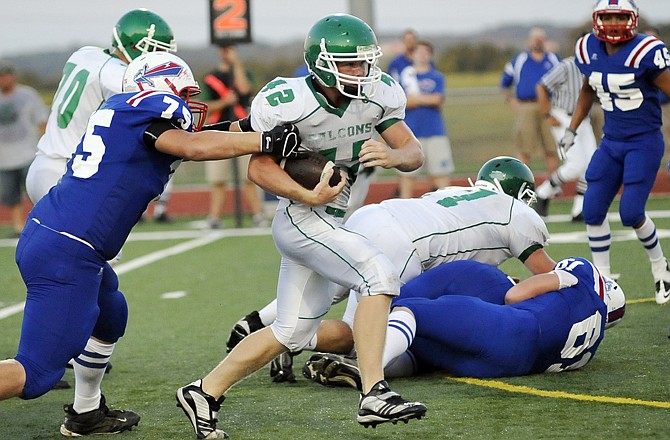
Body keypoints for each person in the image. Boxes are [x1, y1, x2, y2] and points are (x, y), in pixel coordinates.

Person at [0, 51, 302, 436]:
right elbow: (195, 147)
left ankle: (86, 412)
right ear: (162, 84)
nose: (190, 104)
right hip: (68, 251)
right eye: (184, 92)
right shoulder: (150, 112)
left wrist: (251, 127)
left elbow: (192, 140)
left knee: (111, 315)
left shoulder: (128, 115)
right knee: (37, 373)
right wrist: (267, 141)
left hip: (56, 237)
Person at [176, 14, 427, 438]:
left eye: (364, 62)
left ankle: (204, 390)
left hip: (329, 216)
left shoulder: (378, 95)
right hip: (300, 218)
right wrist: (308, 195)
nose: (360, 71)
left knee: (292, 332)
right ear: (321, 63)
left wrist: (393, 156)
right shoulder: (289, 101)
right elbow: (257, 169)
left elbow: (413, 151)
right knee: (378, 274)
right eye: (348, 63)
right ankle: (373, 394)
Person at [226, 156, 557, 383]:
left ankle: (258, 323)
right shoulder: (518, 213)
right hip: (403, 243)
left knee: (326, 292)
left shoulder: (454, 191)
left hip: (372, 217)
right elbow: (549, 276)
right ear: (521, 193)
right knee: (362, 338)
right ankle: (291, 345)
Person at [23, 6, 176, 397]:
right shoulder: (119, 75)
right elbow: (148, 102)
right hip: (71, 177)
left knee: (102, 295)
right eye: (152, 51)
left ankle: (83, 392)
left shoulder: (84, 55)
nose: (156, 59)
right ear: (130, 47)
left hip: (46, 164)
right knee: (83, 278)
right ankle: (57, 352)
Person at [303, 256, 626, 387]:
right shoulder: (592, 342)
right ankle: (379, 364)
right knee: (425, 355)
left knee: (411, 311)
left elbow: (515, 297)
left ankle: (368, 370)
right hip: (509, 367)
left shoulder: (583, 274)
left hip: (514, 329)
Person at [558, 0, 670, 304]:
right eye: (607, 17)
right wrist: (572, 129)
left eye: (620, 17)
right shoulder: (587, 49)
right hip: (611, 141)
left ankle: (661, 267)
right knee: (592, 210)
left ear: (632, 20)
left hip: (643, 141)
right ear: (596, 20)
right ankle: (603, 282)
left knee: (631, 212)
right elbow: (588, 89)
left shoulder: (647, 50)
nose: (613, 23)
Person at [203, 44, 268, 228]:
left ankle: (257, 214)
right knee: (218, 179)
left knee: (248, 178)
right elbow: (205, 105)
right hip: (217, 130)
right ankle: (214, 217)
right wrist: (224, 102)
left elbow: (245, 91)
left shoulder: (243, 73)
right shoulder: (210, 78)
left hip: (241, 131)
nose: (227, 52)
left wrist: (236, 63)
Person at [535, 51, 598, 220]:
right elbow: (541, 85)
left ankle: (579, 209)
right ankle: (542, 192)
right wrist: (548, 114)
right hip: (564, 117)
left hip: (584, 119)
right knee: (575, 165)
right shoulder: (567, 65)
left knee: (591, 165)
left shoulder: (596, 64)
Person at [397, 40, 454, 198]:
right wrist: (423, 99)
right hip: (409, 133)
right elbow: (402, 102)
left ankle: (448, 209)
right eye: (418, 52)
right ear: (413, 55)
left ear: (430, 55)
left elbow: (437, 99)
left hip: (435, 132)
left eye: (425, 52)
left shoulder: (437, 76)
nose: (422, 55)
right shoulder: (405, 76)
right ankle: (404, 213)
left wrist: (415, 99)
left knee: (440, 175)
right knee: (407, 177)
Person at [501, 27, 561, 174]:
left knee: (551, 147)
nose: (537, 41)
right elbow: (505, 83)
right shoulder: (520, 60)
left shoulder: (554, 59)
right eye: (535, 38)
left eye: (540, 38)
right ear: (529, 41)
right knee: (524, 148)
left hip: (550, 106)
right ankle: (523, 183)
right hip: (527, 105)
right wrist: (512, 100)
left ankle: (552, 185)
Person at [0, 60, 48, 237]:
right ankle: (19, 227)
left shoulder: (27, 95)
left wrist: (46, 144)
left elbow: (42, 120)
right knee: (10, 195)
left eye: (5, 75)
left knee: (35, 190)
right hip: (4, 157)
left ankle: (44, 223)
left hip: (28, 152)